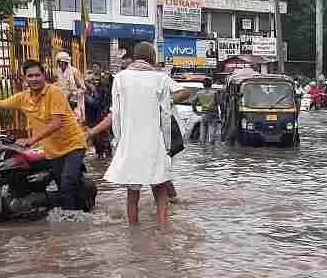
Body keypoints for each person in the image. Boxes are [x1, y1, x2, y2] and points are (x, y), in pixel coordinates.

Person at [0, 60, 88, 210]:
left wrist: (32, 140)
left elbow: (57, 123)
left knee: (68, 182)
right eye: (30, 76)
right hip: (52, 149)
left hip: (73, 145)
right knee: (60, 184)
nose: (34, 79)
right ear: (25, 79)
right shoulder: (23, 97)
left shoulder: (55, 93)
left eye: (37, 75)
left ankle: (74, 219)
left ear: (44, 76)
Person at [87, 42, 191, 225]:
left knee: (132, 193)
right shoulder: (160, 78)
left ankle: (133, 230)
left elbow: (116, 115)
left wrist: (119, 142)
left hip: (130, 143)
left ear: (135, 57)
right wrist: (166, 145)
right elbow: (165, 116)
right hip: (154, 142)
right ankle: (163, 228)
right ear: (152, 57)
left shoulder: (120, 78)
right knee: (160, 190)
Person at [54, 51, 86, 125]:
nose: (59, 64)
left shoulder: (74, 71)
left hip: (74, 102)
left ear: (66, 62)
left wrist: (72, 93)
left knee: (75, 121)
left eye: (60, 62)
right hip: (63, 101)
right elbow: (60, 84)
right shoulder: (58, 72)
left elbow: (83, 88)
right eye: (58, 62)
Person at [193, 77, 222, 145]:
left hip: (203, 114)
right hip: (213, 114)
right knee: (212, 136)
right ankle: (211, 152)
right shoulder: (214, 93)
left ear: (203, 84)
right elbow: (219, 103)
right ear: (211, 84)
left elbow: (193, 102)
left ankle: (203, 151)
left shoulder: (199, 93)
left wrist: (196, 111)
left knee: (202, 136)